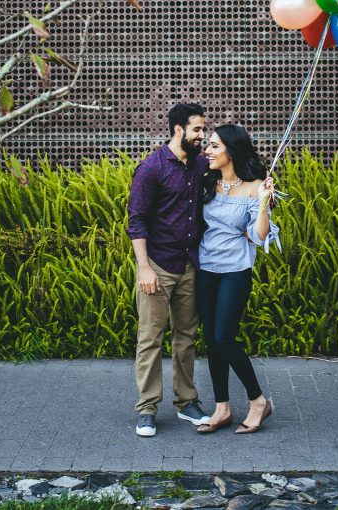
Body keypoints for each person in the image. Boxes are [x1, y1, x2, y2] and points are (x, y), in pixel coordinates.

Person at [126, 102, 213, 437]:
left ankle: (187, 402)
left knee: (186, 338)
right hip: (158, 267)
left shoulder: (199, 165)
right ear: (179, 130)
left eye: (203, 130)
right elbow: (136, 223)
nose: (202, 135)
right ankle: (147, 409)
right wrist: (144, 269)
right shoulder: (151, 168)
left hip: (191, 264)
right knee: (150, 339)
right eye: (197, 130)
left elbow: (233, 176)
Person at [194, 124, 278, 435]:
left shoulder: (256, 186)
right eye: (208, 145)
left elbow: (259, 236)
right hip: (205, 268)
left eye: (214, 146)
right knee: (211, 342)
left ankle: (258, 402)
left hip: (235, 270)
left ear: (232, 150)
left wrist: (263, 202)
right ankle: (222, 408)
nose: (208, 150)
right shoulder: (207, 182)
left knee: (223, 338)